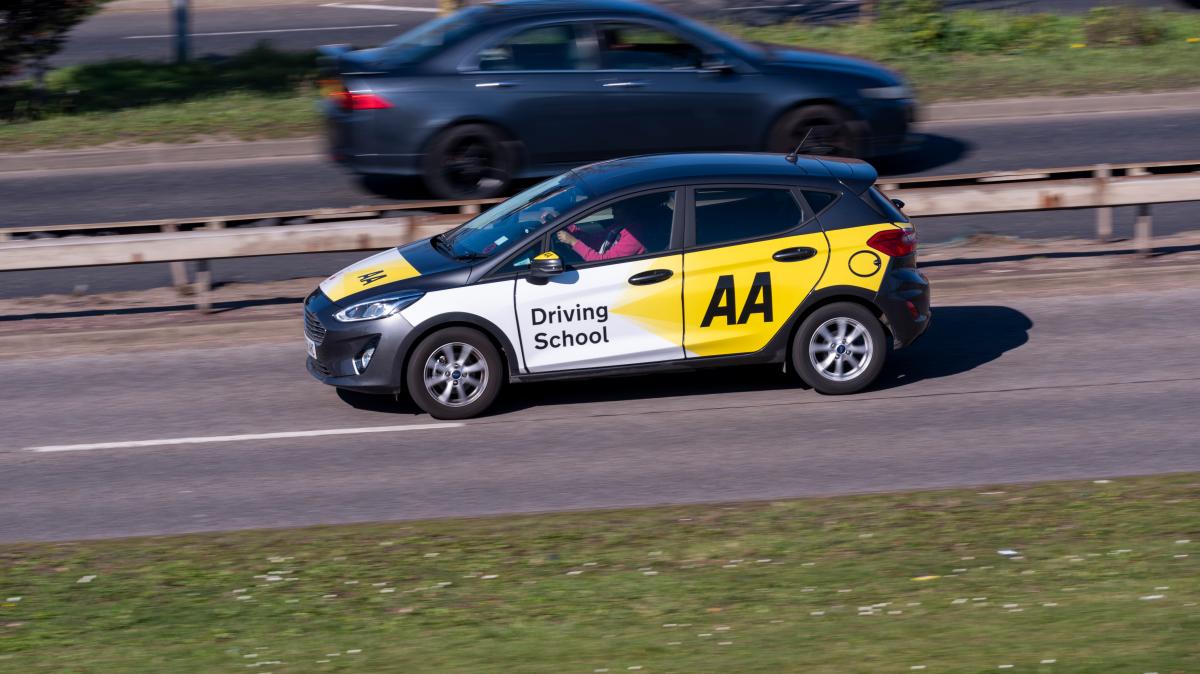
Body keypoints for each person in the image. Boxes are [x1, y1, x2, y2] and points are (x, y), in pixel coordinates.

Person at [554, 202, 649, 262]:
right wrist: (566, 225)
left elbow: (604, 261)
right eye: (613, 207)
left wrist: (573, 242)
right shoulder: (620, 225)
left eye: (617, 207)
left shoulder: (635, 234)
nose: (613, 211)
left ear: (630, 209)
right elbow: (594, 240)